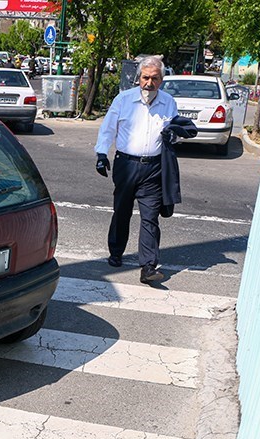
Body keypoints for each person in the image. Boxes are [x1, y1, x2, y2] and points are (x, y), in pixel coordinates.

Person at [94, 55, 178, 284]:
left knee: (150, 217)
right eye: (145, 78)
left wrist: (175, 135)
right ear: (138, 78)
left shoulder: (169, 102)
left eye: (154, 79)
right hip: (126, 165)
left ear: (162, 80)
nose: (149, 83)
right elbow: (107, 129)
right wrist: (101, 154)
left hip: (153, 169)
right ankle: (116, 251)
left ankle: (148, 266)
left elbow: (175, 131)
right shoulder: (123, 100)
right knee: (122, 211)